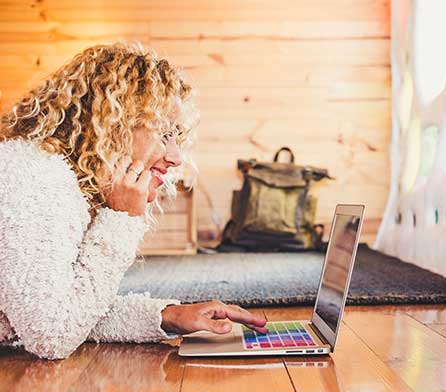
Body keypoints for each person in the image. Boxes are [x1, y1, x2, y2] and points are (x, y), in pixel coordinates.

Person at [0, 42, 267, 360]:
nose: (175, 156)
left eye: (176, 136)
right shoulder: (33, 175)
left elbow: (73, 309)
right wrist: (120, 218)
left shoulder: (62, 181)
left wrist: (169, 315)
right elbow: (53, 335)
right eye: (163, 132)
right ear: (112, 125)